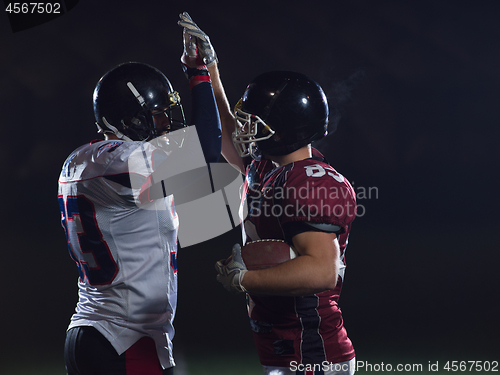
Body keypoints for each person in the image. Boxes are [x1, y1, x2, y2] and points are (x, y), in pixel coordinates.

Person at [179, 13, 357, 375]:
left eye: (254, 124)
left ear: (284, 131)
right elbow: (228, 130)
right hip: (284, 348)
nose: (244, 128)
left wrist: (245, 279)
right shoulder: (266, 167)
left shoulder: (313, 182)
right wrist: (208, 70)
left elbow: (322, 271)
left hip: (313, 353)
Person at [57, 29, 221, 375]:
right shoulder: (124, 162)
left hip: (96, 332)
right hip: (122, 339)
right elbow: (207, 148)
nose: (165, 125)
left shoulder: (82, 161)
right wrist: (200, 73)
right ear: (128, 116)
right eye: (158, 115)